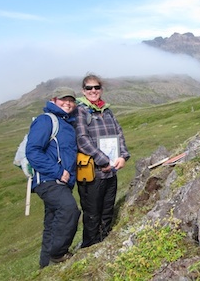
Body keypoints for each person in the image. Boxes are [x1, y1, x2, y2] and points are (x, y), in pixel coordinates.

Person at [26, 87, 81, 269]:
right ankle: (58, 254)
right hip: (49, 180)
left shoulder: (67, 123)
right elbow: (32, 151)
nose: (68, 103)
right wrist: (58, 172)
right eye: (63, 99)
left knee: (52, 223)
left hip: (62, 182)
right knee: (69, 209)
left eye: (71, 100)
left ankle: (45, 266)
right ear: (54, 100)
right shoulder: (46, 120)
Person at [75, 74, 130, 248]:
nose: (93, 91)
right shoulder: (80, 111)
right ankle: (89, 248)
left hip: (111, 171)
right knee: (92, 214)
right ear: (83, 91)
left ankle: (104, 245)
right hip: (92, 173)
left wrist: (123, 155)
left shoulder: (107, 110)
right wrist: (102, 160)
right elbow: (82, 139)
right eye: (89, 88)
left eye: (96, 87)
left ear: (101, 89)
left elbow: (119, 133)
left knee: (107, 210)